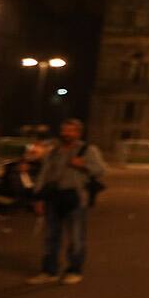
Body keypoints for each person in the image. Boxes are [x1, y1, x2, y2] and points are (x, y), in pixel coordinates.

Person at [27, 119, 106, 286]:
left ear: (78, 133)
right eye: (64, 130)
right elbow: (44, 174)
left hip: (76, 198)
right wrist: (38, 197)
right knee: (50, 236)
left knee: (76, 237)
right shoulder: (54, 150)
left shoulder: (87, 150)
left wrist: (83, 165)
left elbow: (100, 170)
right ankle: (49, 271)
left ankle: (74, 270)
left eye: (70, 131)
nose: (66, 133)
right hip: (53, 197)